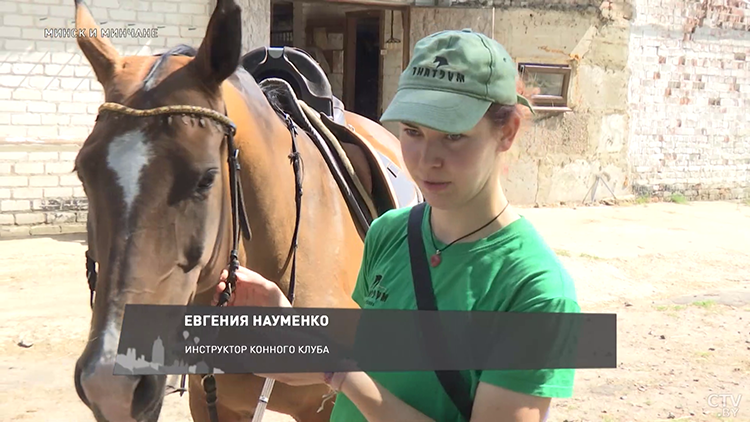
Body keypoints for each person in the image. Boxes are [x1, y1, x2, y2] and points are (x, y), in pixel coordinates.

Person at [213, 28, 580, 422]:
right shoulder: (389, 233)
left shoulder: (537, 292)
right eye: (412, 131)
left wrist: (344, 375)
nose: (425, 159)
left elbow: (350, 371)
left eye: (453, 136)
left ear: (506, 132)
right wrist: (293, 328)